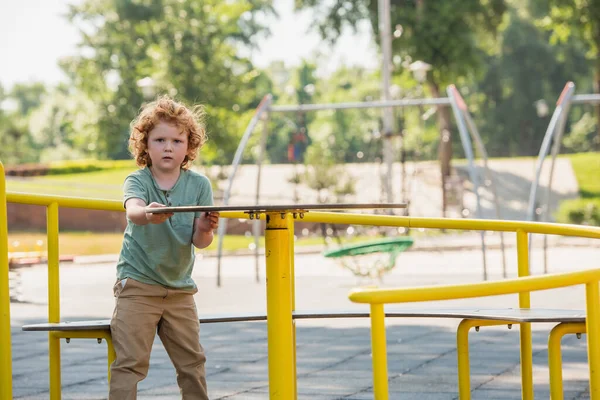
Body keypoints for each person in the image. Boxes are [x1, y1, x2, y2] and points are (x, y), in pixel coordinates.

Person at [109, 96, 219, 400]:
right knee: (130, 364)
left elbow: (200, 242)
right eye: (159, 140)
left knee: (193, 363)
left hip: (179, 290)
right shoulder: (138, 180)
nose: (168, 147)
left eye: (176, 140)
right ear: (145, 145)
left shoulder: (199, 185)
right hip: (138, 285)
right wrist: (148, 213)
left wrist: (204, 227)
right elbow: (133, 212)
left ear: (189, 146)